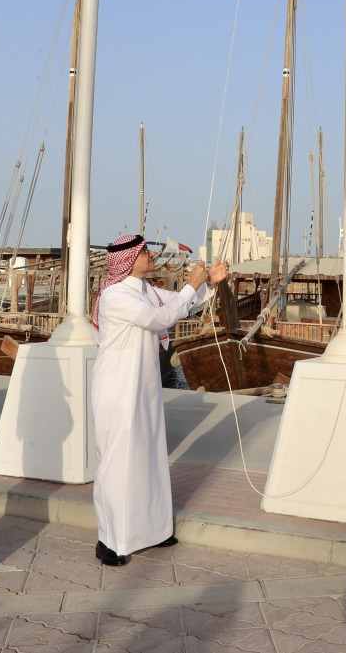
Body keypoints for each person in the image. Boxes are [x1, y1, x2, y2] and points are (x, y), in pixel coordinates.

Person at [91, 234, 228, 566]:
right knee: (118, 462)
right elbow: (160, 319)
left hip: (145, 388)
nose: (150, 256)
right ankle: (109, 539)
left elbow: (185, 304)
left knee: (149, 455)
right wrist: (192, 284)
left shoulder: (146, 290)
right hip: (118, 387)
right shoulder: (114, 296)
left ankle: (153, 530)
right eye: (144, 252)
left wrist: (208, 282)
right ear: (128, 260)